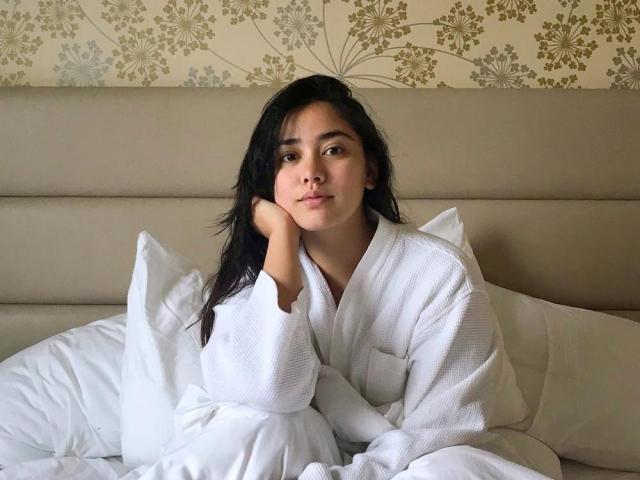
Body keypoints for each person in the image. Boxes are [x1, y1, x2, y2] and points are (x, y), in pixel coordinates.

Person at [133, 75, 557, 480]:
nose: (311, 173)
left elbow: (439, 430)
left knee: (450, 469)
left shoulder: (439, 273)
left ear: (370, 170)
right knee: (267, 426)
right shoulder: (251, 280)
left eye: (333, 150)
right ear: (270, 182)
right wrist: (282, 240)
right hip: (290, 452)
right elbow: (265, 392)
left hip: (410, 463)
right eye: (289, 157)